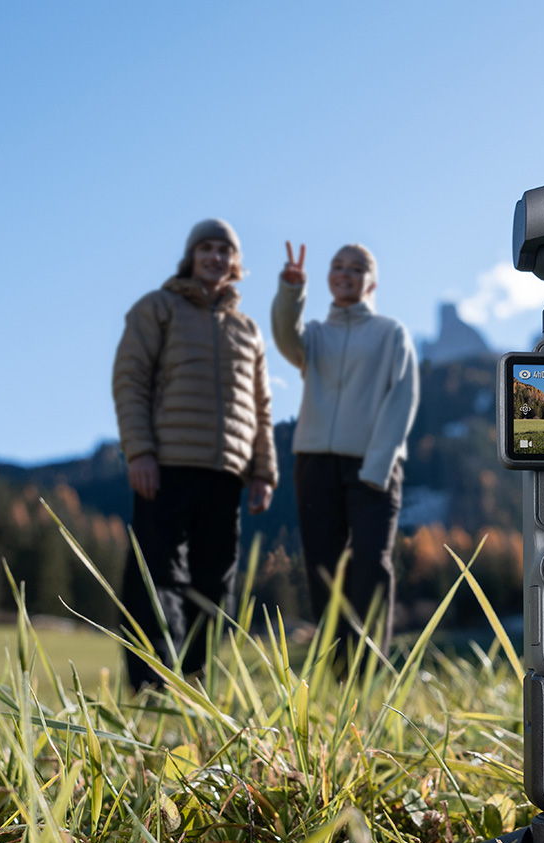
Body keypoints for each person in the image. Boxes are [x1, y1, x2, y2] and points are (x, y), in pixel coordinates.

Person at [112, 218, 276, 692]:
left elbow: (262, 408)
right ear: (190, 256)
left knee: (213, 585)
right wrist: (139, 452)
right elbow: (130, 381)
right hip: (165, 466)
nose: (215, 257)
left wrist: (263, 471)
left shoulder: (247, 330)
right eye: (206, 248)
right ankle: (151, 687)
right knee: (157, 576)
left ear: (236, 262)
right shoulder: (157, 308)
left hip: (227, 473)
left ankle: (194, 685)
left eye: (225, 250)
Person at [272, 241, 419, 653]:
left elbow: (402, 398)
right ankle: (338, 675)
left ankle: (369, 671)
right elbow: (286, 339)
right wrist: (290, 291)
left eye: (356, 268)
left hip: (374, 465)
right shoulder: (315, 336)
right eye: (338, 266)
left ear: (370, 282)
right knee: (322, 568)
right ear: (328, 277)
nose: (346, 273)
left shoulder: (390, 334)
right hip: (315, 464)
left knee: (371, 565)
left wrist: (377, 466)